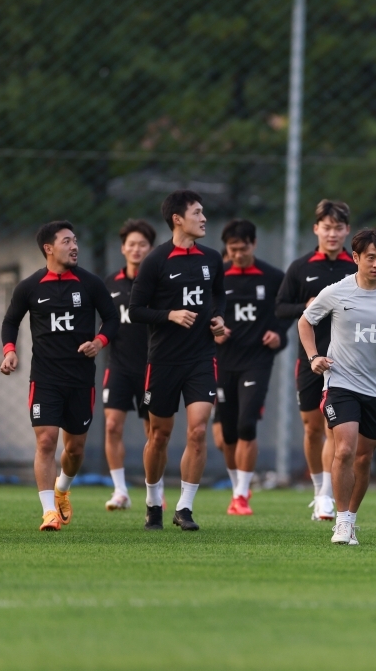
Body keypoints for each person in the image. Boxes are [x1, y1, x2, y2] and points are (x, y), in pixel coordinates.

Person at [300, 228, 376, 545]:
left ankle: (352, 518)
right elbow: (305, 321)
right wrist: (314, 356)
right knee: (344, 449)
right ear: (355, 258)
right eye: (370, 257)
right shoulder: (337, 291)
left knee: (364, 457)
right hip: (340, 382)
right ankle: (341, 523)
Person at [0, 221, 119, 531]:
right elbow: (10, 322)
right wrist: (10, 350)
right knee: (46, 442)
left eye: (75, 240)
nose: (74, 246)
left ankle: (62, 489)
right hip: (45, 378)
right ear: (48, 249)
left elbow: (112, 318)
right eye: (67, 241)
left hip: (80, 379)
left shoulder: (90, 283)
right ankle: (48, 512)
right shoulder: (30, 286)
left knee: (75, 448)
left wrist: (99, 342)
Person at [129, 190, 226, 531]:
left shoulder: (212, 258)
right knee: (160, 435)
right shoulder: (156, 261)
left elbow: (218, 295)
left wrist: (217, 319)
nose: (203, 218)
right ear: (177, 219)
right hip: (164, 360)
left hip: (201, 357)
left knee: (198, 430)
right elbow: (136, 310)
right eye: (197, 212)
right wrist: (169, 314)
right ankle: (153, 500)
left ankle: (184, 508)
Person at [275, 199, 357, 521]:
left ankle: (326, 497)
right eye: (327, 227)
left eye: (338, 227)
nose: (332, 233)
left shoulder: (355, 268)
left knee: (332, 428)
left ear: (347, 230)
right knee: (312, 429)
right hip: (310, 359)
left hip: (345, 361)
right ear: (316, 229)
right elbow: (281, 308)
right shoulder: (301, 267)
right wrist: (306, 306)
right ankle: (317, 488)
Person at [211, 219, 289, 516]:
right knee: (226, 435)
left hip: (256, 361)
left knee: (246, 425)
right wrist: (214, 326)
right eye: (233, 249)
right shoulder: (217, 278)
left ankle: (241, 495)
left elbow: (285, 309)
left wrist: (278, 333)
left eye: (243, 248)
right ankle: (237, 488)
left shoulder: (272, 277)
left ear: (253, 245)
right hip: (222, 361)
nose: (238, 254)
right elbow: (203, 310)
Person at [102, 219, 156, 511]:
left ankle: (154, 491)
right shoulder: (110, 284)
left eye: (142, 244)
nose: (136, 249)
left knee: (154, 432)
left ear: (150, 248)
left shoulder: (157, 283)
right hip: (119, 366)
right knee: (112, 425)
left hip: (151, 366)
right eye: (131, 244)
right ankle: (120, 490)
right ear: (123, 248)